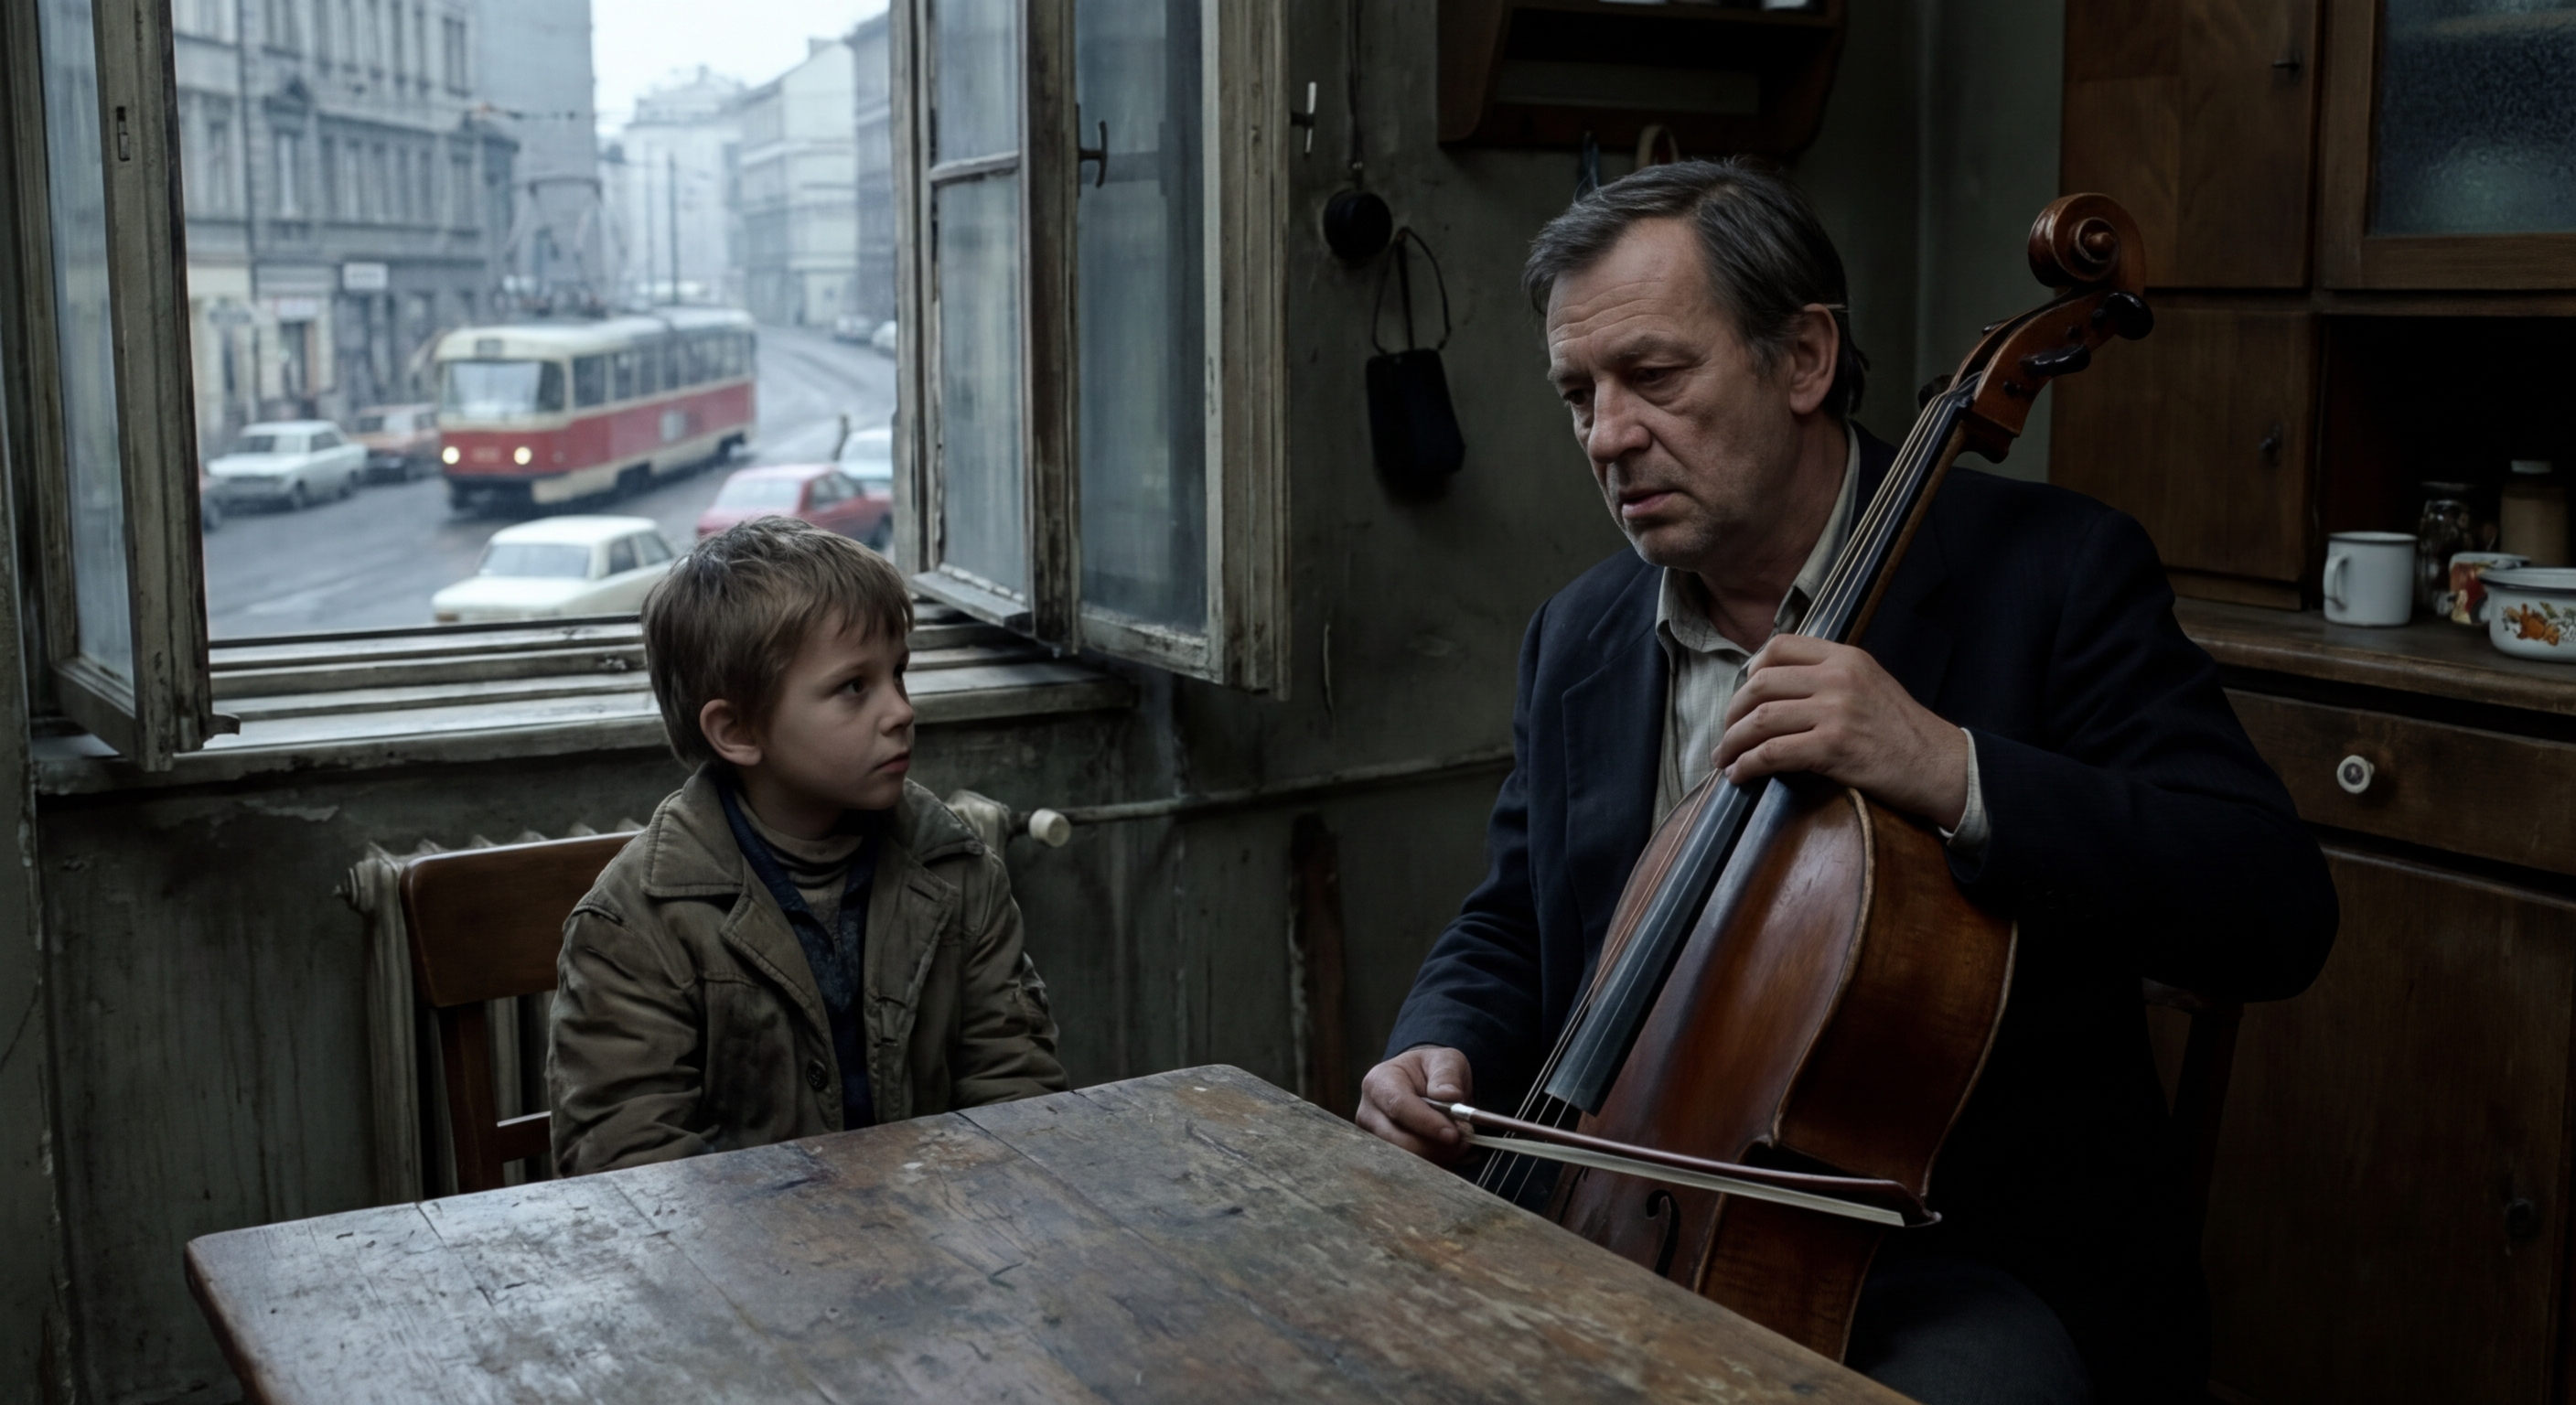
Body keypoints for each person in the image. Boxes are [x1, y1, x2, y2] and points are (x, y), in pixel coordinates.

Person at [1358, 160, 2336, 1405]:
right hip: (1622, 1220)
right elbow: (1514, 917)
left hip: (1964, 1262)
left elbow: (2273, 906)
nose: (1607, 436)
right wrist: (1438, 1043)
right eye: (1578, 394)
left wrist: (1949, 767)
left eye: (1654, 377)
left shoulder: (2054, 576)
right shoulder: (1579, 636)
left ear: (1805, 359)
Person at [548, 516, 1067, 1174]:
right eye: (855, 686)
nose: (901, 709)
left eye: (898, 673)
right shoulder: (631, 926)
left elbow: (1017, 1094)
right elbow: (632, 1167)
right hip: (736, 1266)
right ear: (736, 730)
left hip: (940, 1240)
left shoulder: (957, 870)